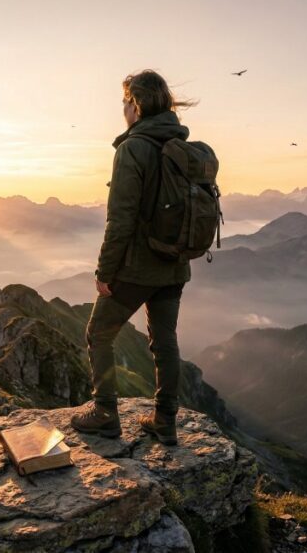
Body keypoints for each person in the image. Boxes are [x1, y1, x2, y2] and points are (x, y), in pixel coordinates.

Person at [70, 69, 199, 446]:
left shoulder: (133, 149)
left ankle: (106, 413)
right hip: (175, 265)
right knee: (164, 340)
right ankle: (165, 420)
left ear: (137, 105)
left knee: (98, 333)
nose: (123, 109)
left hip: (138, 266)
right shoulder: (184, 148)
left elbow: (120, 220)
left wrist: (104, 271)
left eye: (126, 101)